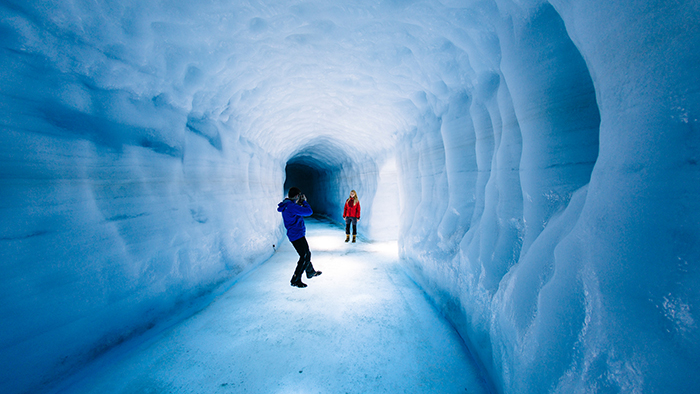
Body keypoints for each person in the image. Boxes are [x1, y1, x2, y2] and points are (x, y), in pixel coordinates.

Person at [277, 187, 322, 288]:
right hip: (297, 234)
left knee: (306, 253)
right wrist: (305, 202)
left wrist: (299, 204)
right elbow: (309, 212)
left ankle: (310, 271)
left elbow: (296, 211)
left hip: (295, 234)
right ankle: (295, 279)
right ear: (297, 196)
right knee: (305, 256)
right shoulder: (291, 206)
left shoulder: (287, 205)